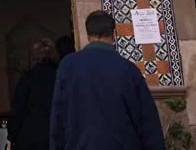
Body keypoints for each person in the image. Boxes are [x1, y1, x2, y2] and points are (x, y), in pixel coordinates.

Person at [50, 11, 164, 150]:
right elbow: (148, 123)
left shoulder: (68, 66)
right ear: (113, 35)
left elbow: (59, 116)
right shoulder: (128, 69)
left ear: (88, 35)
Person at [9, 39, 60, 150]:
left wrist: (11, 135)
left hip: (29, 137)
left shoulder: (28, 78)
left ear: (33, 57)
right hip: (56, 136)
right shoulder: (60, 76)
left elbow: (18, 109)